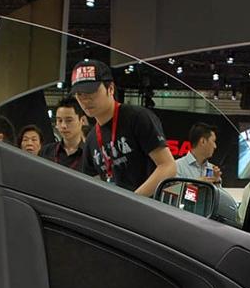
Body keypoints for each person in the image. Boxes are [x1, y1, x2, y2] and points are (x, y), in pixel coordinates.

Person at [72, 60, 177, 196]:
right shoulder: (91, 139)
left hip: (147, 205)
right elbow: (91, 186)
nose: (85, 100)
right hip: (115, 207)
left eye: (91, 92)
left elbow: (168, 166)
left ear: (110, 88)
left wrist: (132, 201)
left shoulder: (137, 118)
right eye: (79, 94)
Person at [40, 97, 87, 170]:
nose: (63, 126)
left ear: (82, 120)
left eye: (69, 120)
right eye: (59, 120)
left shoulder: (89, 154)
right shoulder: (46, 151)